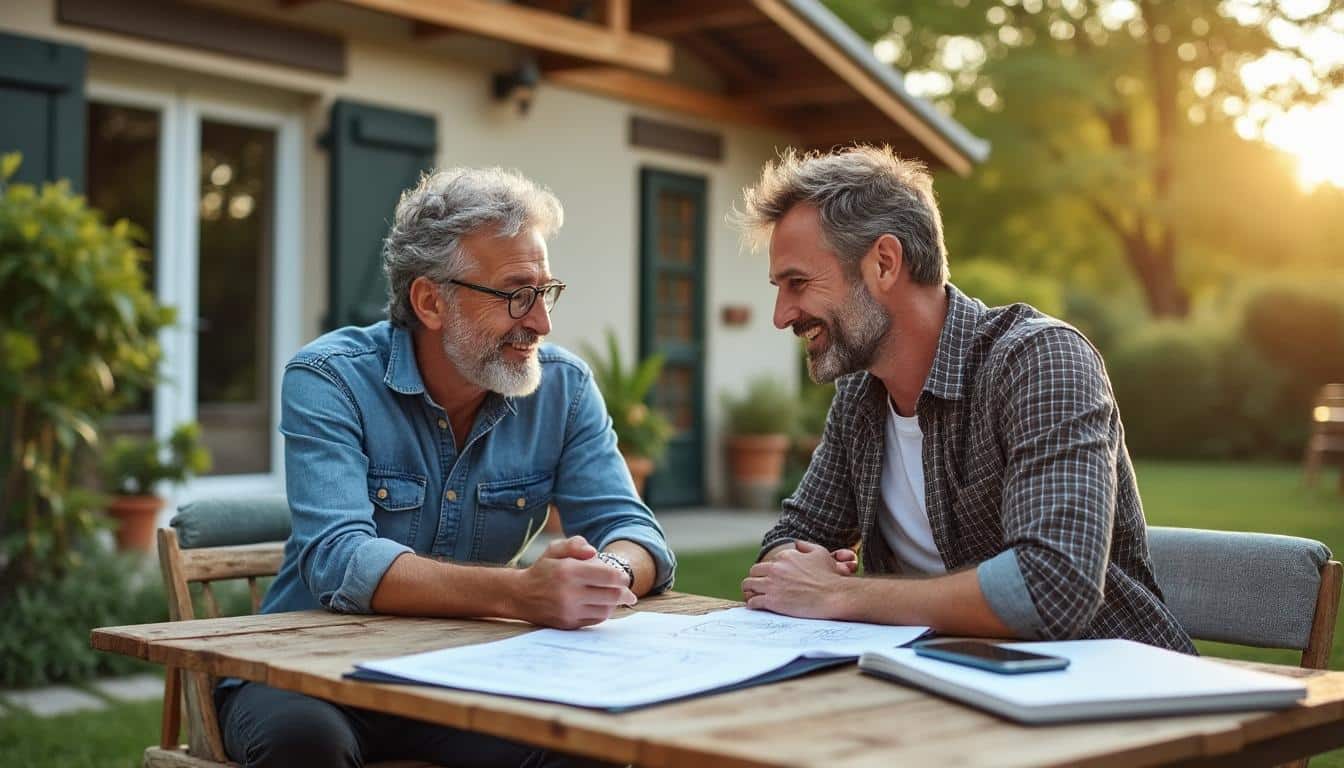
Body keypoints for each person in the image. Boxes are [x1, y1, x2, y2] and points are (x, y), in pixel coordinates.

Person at [216, 167, 676, 767]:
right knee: (306, 746)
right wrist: (524, 593)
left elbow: (637, 534)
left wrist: (606, 573)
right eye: (516, 294)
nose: (541, 322)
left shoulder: (563, 386)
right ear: (431, 301)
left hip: (467, 674)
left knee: (592, 749)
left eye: (545, 292)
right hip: (308, 674)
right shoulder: (330, 377)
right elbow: (338, 559)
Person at [734, 146, 1192, 653]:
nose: (781, 315)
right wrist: (799, 570)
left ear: (884, 263)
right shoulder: (860, 399)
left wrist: (840, 592)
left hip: (1114, 701)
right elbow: (793, 539)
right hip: (944, 693)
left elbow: (1053, 587)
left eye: (797, 283)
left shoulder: (1039, 362)